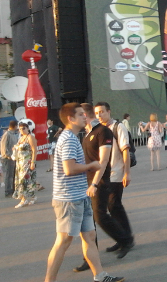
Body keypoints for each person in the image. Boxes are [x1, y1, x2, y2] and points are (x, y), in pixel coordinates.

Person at [44, 102, 124, 282]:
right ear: (70, 118)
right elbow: (69, 168)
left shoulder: (72, 137)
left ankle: (100, 276)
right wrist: (92, 166)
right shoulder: (68, 139)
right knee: (63, 241)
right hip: (69, 199)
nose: (84, 116)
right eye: (80, 114)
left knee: (89, 236)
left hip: (80, 196)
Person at [73, 103, 116, 273]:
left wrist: (94, 184)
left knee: (98, 217)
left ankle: (125, 239)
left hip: (99, 182)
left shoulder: (103, 131)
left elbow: (103, 161)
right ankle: (90, 258)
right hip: (86, 183)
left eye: (79, 114)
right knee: (89, 222)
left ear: (84, 115)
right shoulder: (87, 134)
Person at [95, 102, 135, 259]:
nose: (99, 115)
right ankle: (122, 238)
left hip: (116, 172)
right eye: (97, 113)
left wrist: (127, 173)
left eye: (102, 112)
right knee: (113, 207)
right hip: (104, 174)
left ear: (109, 111)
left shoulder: (118, 127)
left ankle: (127, 239)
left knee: (114, 205)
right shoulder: (99, 129)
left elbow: (125, 150)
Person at [12, 120, 38, 208]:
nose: (22, 130)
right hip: (20, 162)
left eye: (23, 128)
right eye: (20, 129)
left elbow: (34, 150)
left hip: (27, 161)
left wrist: (33, 162)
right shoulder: (21, 138)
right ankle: (33, 197)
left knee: (23, 180)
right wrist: (15, 148)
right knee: (27, 180)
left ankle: (23, 199)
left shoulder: (30, 137)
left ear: (28, 128)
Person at [0, 120, 19, 198]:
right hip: (8, 158)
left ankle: (14, 190)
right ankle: (8, 191)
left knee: (14, 174)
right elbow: (4, 146)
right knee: (9, 175)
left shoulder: (13, 134)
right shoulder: (7, 134)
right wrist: (8, 156)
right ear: (15, 126)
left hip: (13, 157)